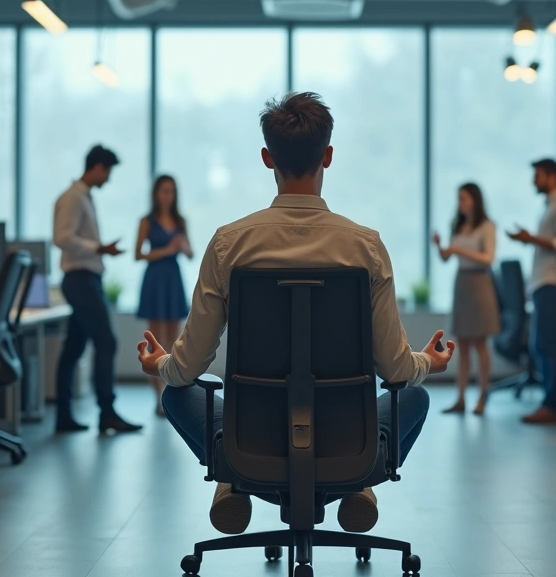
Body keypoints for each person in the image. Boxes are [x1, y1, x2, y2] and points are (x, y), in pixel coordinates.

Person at [136, 92, 454, 537]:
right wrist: (428, 362)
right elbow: (396, 370)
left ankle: (232, 481)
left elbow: (186, 368)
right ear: (328, 156)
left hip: (251, 444)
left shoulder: (229, 244)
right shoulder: (366, 247)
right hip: (348, 443)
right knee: (415, 396)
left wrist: (161, 365)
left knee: (174, 393)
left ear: (267, 158)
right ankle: (357, 484)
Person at [52, 145, 141, 435]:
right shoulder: (73, 198)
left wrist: (99, 249)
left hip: (85, 278)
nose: (108, 179)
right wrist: (98, 248)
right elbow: (61, 238)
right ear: (98, 167)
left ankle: (64, 415)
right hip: (80, 280)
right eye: (108, 172)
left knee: (74, 348)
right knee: (106, 341)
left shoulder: (84, 197)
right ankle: (107, 413)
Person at [506, 158, 556, 425]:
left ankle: (553, 405)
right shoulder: (550, 207)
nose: (533, 181)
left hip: (552, 283)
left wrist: (531, 238)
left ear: (552, 176)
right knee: (541, 344)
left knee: (546, 344)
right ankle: (552, 403)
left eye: (537, 175)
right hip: (542, 283)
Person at [432, 183, 500, 415]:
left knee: (480, 343)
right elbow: (446, 257)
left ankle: (482, 395)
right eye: (459, 198)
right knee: (461, 344)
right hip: (461, 283)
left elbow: (489, 258)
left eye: (464, 198)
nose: (460, 203)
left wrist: (458, 250)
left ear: (475, 200)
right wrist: (440, 246)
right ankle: (460, 398)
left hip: (480, 284)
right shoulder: (458, 225)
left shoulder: (487, 226)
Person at [135, 175, 193, 417]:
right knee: (155, 338)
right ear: (156, 194)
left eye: (171, 191)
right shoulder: (146, 221)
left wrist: (182, 247)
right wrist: (168, 250)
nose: (168, 195)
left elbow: (190, 253)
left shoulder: (180, 221)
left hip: (173, 279)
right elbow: (138, 255)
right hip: (155, 279)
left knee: (173, 340)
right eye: (164, 191)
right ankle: (157, 398)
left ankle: (170, 396)